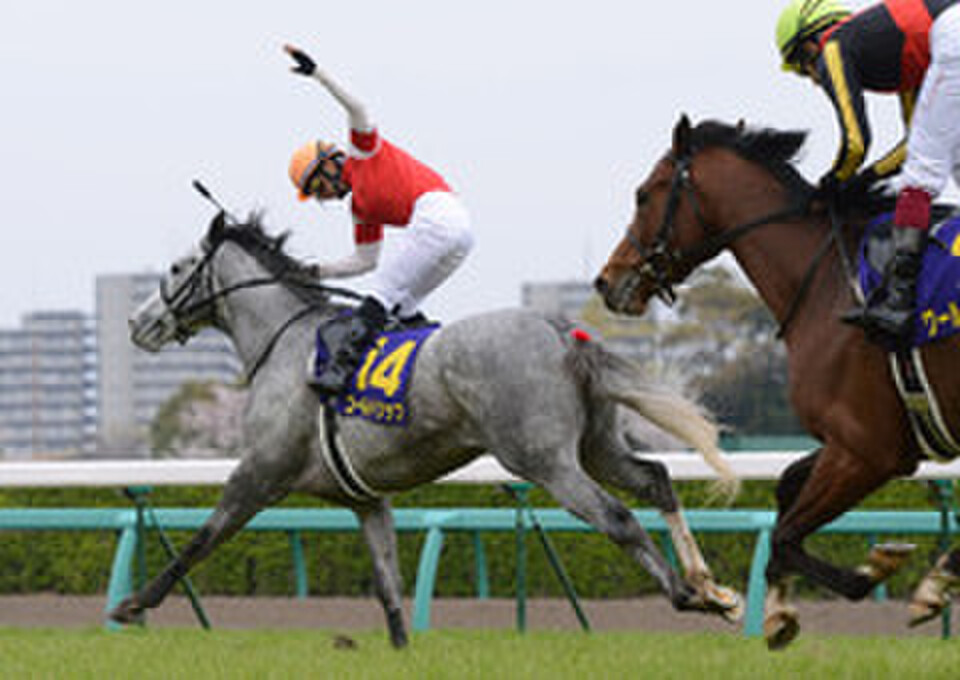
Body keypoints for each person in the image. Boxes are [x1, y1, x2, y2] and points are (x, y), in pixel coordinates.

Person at [283, 44, 474, 397]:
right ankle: (431, 379)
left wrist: (318, 73)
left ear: (330, 165)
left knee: (381, 296)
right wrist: (314, 272)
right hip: (457, 233)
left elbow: (358, 108)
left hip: (438, 218)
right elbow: (364, 260)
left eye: (318, 187)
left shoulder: (362, 154)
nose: (323, 197)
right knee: (403, 309)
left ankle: (339, 372)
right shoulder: (361, 209)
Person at [775, 0, 960, 342]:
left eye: (804, 68)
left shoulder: (833, 46)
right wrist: (869, 177)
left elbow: (856, 142)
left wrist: (834, 182)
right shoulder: (903, 55)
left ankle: (898, 302)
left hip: (954, 34)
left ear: (810, 45)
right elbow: (912, 143)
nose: (815, 81)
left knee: (921, 177)